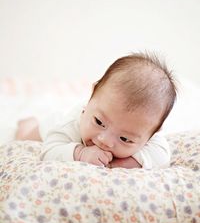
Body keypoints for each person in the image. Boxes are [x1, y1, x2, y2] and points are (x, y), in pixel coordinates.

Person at [15, 52, 177, 169]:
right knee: (23, 138)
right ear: (91, 95)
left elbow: (162, 156)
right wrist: (80, 153)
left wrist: (125, 164)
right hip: (50, 126)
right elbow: (49, 151)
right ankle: (28, 123)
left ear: (152, 135)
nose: (105, 141)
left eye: (125, 138)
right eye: (99, 122)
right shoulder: (71, 125)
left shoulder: (147, 132)